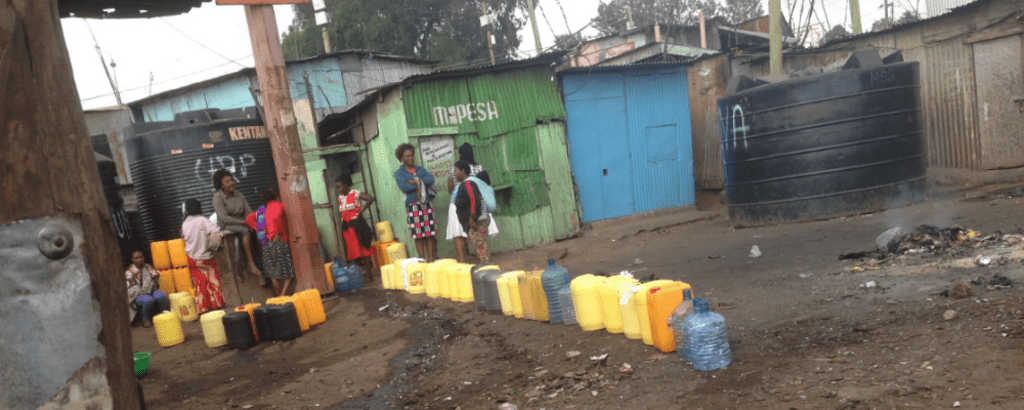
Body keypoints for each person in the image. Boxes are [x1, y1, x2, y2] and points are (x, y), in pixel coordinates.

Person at [445, 143, 498, 263]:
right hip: (481, 209)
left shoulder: (458, 170)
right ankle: (483, 259)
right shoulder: (479, 167)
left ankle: (465, 260)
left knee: (459, 234)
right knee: (480, 238)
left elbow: (450, 188)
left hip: (467, 208)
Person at [246, 188, 296, 296]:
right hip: (279, 243)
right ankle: (283, 296)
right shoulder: (278, 205)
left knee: (274, 274)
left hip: (266, 243)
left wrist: (260, 230)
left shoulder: (262, 210)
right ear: (277, 196)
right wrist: (276, 233)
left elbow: (248, 219)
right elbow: (277, 218)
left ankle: (279, 296)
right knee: (289, 274)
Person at [212, 169, 261, 277]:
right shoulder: (218, 198)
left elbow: (248, 211)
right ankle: (251, 264)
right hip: (226, 224)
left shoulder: (239, 195)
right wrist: (242, 222)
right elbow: (223, 217)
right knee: (245, 230)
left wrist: (253, 220)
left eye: (232, 180)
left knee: (258, 229)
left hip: (241, 222)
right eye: (227, 181)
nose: (231, 183)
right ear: (221, 185)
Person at [393, 143, 438, 262]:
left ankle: (431, 261)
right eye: (407, 156)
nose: (410, 158)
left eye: (411, 155)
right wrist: (421, 183)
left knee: (429, 234)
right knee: (418, 236)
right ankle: (422, 261)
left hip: (426, 204)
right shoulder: (399, 173)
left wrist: (416, 181)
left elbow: (431, 179)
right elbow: (404, 187)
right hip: (412, 206)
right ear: (402, 159)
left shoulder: (420, 169)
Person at [181, 198, 225, 313]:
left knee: (200, 284)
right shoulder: (202, 220)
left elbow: (183, 236)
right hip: (205, 257)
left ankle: (203, 308)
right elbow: (216, 231)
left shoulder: (185, 223)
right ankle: (218, 304)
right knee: (213, 280)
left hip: (191, 259)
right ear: (200, 208)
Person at [335, 174, 377, 282]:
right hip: (347, 227)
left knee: (364, 250)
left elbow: (370, 198)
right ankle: (359, 275)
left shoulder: (355, 193)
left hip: (357, 225)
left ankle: (369, 275)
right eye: (337, 188)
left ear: (345, 185)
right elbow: (342, 212)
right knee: (354, 251)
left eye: (339, 187)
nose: (338, 190)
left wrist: (360, 212)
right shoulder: (340, 197)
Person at [452, 160, 492, 263]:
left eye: (456, 171)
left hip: (476, 222)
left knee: (481, 247)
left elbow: (474, 199)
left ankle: (487, 271)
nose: (454, 174)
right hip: (474, 222)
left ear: (462, 171)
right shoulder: (466, 184)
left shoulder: (468, 184)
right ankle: (485, 268)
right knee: (480, 247)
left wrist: (472, 218)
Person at [125, 250, 169, 327]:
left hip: (151, 290)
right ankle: (146, 319)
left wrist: (150, 287)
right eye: (136, 258)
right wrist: (145, 290)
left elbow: (156, 279)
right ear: (132, 259)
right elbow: (132, 289)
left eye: (141, 257)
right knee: (148, 299)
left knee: (162, 295)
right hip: (137, 295)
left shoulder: (148, 267)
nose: (139, 259)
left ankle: (163, 314)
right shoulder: (129, 271)